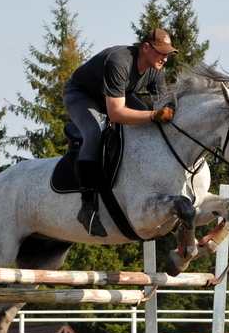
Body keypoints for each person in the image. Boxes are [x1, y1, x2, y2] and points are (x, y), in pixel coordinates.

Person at [63, 28, 178, 237]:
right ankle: (87, 206)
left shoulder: (156, 69)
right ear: (145, 47)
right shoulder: (119, 61)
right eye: (162, 52)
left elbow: (162, 107)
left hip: (114, 95)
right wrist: (153, 116)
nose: (165, 58)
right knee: (94, 133)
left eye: (167, 53)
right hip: (81, 94)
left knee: (148, 125)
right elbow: (116, 114)